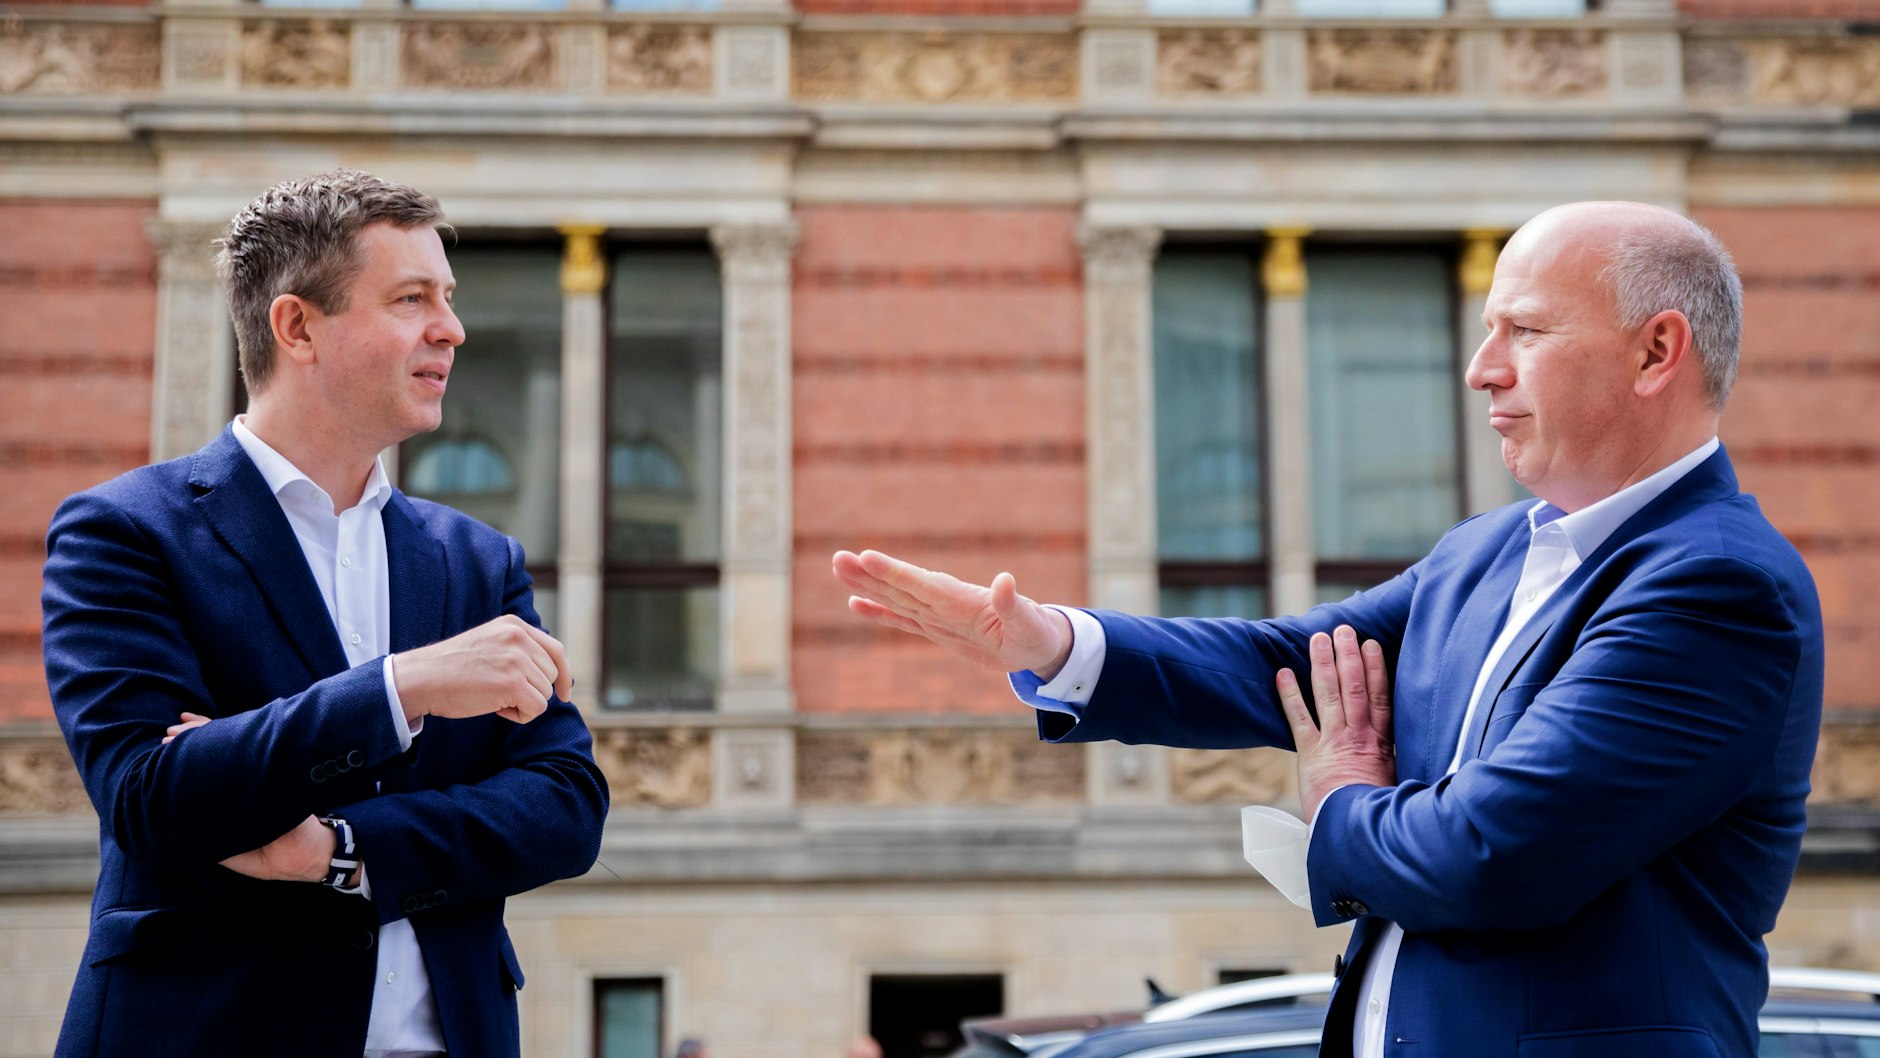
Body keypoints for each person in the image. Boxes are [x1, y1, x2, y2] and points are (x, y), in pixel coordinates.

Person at [833, 201, 1823, 1058]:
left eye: (1521, 331)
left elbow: (1489, 854)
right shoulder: (1486, 552)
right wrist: (1054, 643)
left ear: (1655, 352)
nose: (1480, 371)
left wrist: (1339, 798)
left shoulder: (1716, 585)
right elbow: (1294, 664)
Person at [41, 169, 610, 1058]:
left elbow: (566, 808)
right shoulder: (125, 532)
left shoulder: (476, 559)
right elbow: (151, 799)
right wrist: (406, 685)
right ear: (298, 326)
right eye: (411, 298)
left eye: (447, 299)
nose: (451, 329)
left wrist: (342, 850)